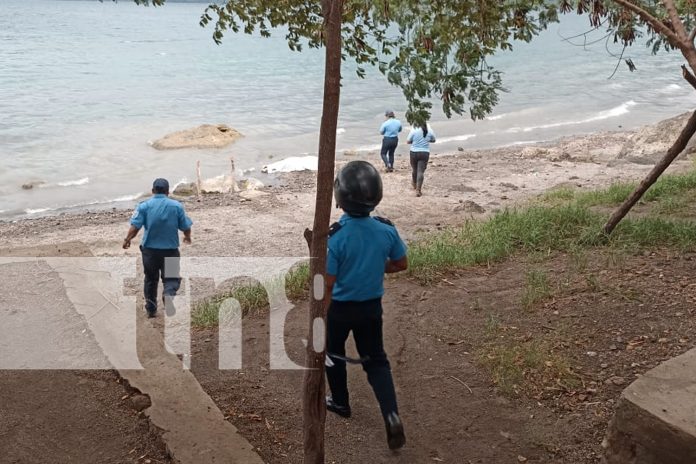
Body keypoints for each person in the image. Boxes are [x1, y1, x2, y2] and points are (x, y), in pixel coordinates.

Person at [324, 160, 408, 450]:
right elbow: (400, 263)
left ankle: (340, 402)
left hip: (339, 310)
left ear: (340, 198)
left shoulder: (335, 237)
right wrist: (372, 267)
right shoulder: (386, 230)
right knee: (377, 362)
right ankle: (391, 414)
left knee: (332, 353)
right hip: (371, 309)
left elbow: (329, 282)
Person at [122, 178, 193, 318]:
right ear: (168, 191)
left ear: (153, 191)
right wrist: (187, 237)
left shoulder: (144, 206)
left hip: (150, 251)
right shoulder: (177, 206)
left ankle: (151, 309)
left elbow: (135, 227)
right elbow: (186, 226)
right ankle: (168, 294)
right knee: (172, 278)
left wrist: (127, 240)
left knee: (150, 279)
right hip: (171, 250)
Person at [406, 121, 436, 197]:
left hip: (414, 152)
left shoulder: (414, 129)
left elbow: (408, 141)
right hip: (424, 153)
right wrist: (426, 140)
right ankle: (418, 190)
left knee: (414, 170)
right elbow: (434, 140)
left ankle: (414, 183)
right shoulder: (429, 130)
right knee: (420, 172)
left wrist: (414, 141)